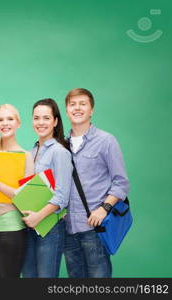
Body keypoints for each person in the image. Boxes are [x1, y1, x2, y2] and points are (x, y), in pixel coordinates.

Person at [63, 88, 129, 278]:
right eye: (72, 104)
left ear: (91, 110)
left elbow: (121, 183)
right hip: (68, 229)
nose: (77, 108)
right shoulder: (62, 145)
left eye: (82, 104)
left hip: (94, 228)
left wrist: (104, 208)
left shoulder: (106, 141)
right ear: (67, 110)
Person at [0, 104, 34, 278]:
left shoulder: (26, 156)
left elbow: (25, 198)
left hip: (12, 230)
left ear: (18, 123)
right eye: (0, 119)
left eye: (10, 119)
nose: (5, 123)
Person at [20, 98, 73, 278]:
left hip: (50, 228)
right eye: (36, 118)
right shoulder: (31, 152)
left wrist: (39, 217)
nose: (40, 122)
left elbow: (62, 196)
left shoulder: (60, 152)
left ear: (55, 121)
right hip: (29, 226)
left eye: (46, 118)